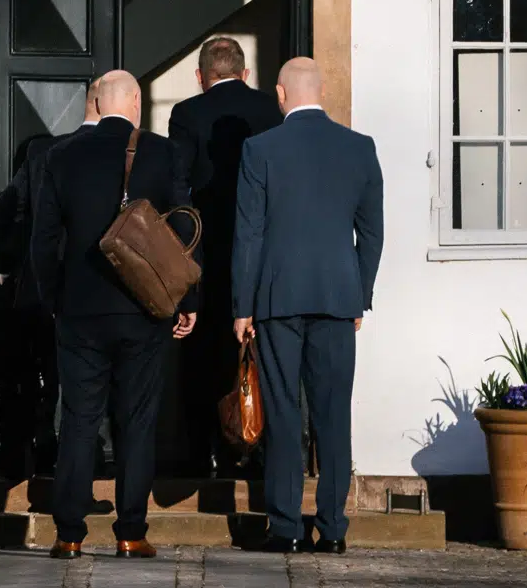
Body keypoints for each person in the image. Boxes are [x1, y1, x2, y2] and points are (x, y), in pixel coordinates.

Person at [30, 70, 198, 560]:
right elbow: (184, 233)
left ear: (98, 105)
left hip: (80, 313)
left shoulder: (60, 156)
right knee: (137, 421)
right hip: (144, 312)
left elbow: (42, 242)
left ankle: (68, 534)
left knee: (80, 421)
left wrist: (54, 300)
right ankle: (130, 532)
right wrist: (185, 302)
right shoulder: (164, 153)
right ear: (138, 107)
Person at [231, 58, 383, 554]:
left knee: (283, 411)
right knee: (334, 414)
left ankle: (285, 527)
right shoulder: (359, 148)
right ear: (324, 90)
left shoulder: (260, 149)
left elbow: (249, 234)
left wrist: (242, 306)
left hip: (277, 298)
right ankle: (334, 528)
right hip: (339, 297)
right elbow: (373, 233)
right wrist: (360, 293)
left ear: (280, 94)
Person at [167, 36, 282, 476]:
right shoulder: (271, 109)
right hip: (264, 252)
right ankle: (256, 451)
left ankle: (204, 454)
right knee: (260, 353)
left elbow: (179, 193)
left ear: (200, 77)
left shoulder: (186, 114)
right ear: (245, 73)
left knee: (202, 357)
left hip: (207, 253)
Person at [0, 77, 112, 476]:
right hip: (93, 292)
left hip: (38, 289)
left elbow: (3, 214)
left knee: (39, 375)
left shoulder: (42, 153)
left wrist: (7, 268)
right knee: (85, 381)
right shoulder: (123, 151)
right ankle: (82, 463)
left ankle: (37, 453)